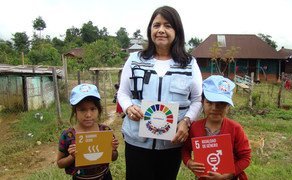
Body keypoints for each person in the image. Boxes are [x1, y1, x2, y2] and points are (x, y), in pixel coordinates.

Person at [117, 5, 202, 180]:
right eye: (156, 25)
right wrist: (128, 108)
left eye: (168, 25)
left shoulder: (189, 64)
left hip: (172, 143)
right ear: (150, 30)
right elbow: (123, 93)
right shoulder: (135, 60)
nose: (161, 30)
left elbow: (197, 99)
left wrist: (186, 122)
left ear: (177, 31)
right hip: (137, 141)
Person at [182, 75, 251, 180]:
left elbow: (245, 158)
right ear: (202, 102)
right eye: (209, 103)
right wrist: (189, 162)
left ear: (228, 106)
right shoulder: (194, 127)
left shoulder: (235, 129)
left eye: (221, 104)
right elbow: (185, 150)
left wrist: (229, 175)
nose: (214, 108)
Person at [57, 84, 119, 180]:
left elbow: (114, 157)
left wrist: (112, 149)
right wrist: (72, 156)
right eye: (82, 110)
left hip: (105, 177)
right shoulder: (68, 135)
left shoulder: (105, 131)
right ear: (75, 112)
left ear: (99, 110)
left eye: (93, 109)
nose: (88, 115)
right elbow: (60, 163)